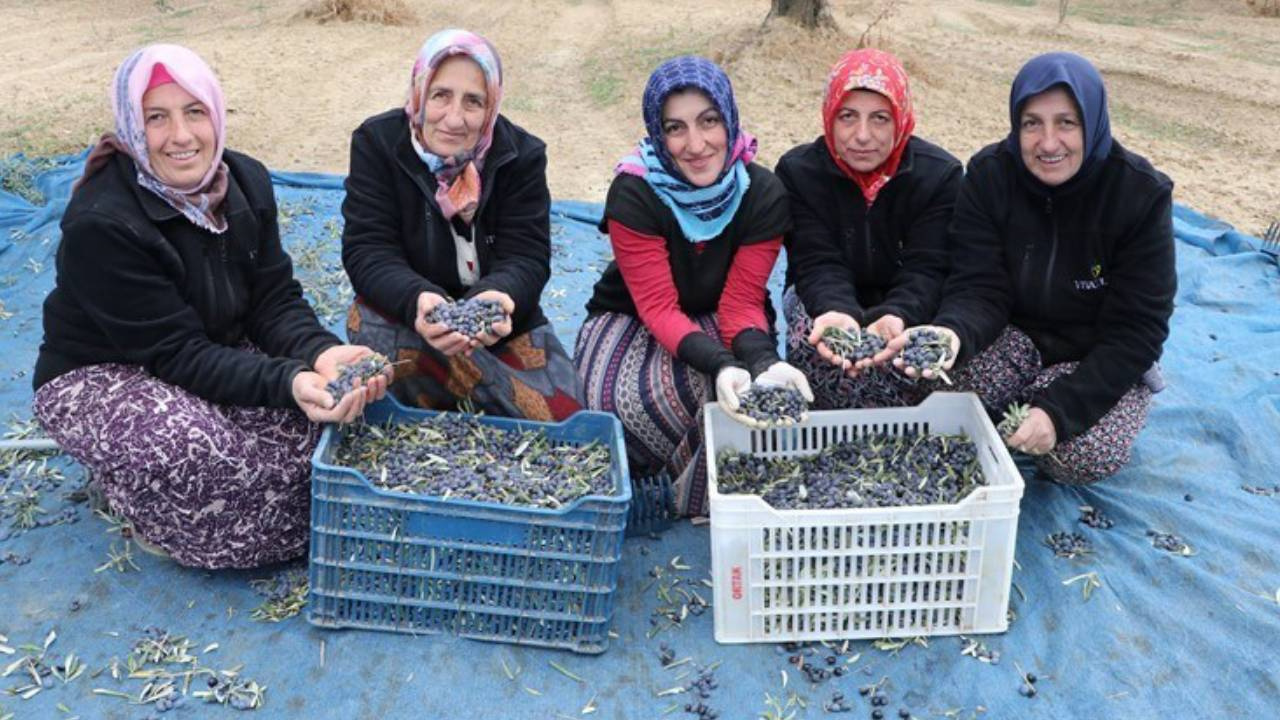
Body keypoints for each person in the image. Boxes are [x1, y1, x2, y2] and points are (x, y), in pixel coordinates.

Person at [32, 44, 388, 569]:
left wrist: (320, 355)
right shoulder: (103, 224)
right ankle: (125, 486)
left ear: (216, 113)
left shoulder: (245, 182)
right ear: (133, 126)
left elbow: (273, 299)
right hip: (104, 373)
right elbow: (176, 354)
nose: (180, 136)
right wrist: (287, 381)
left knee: (328, 433)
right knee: (199, 456)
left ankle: (179, 471)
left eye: (194, 111)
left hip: (208, 347)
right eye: (156, 118)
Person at [888, 52, 1175, 485]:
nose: (1048, 142)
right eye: (1032, 123)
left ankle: (1053, 404)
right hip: (1015, 336)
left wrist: (1059, 412)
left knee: (1079, 455)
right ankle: (1019, 397)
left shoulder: (1138, 194)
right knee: (938, 405)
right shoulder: (989, 176)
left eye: (1066, 123)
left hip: (1095, 352)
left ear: (1092, 123)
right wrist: (952, 333)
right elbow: (977, 286)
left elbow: (1138, 330)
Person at [574, 56, 812, 517]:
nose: (696, 144)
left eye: (709, 122)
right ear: (658, 135)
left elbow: (741, 304)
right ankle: (648, 481)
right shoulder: (635, 192)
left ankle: (692, 493)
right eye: (675, 128)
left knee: (729, 397)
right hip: (632, 313)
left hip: (722, 314)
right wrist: (722, 364)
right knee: (613, 399)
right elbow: (658, 308)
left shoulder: (762, 194)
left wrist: (763, 362)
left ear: (729, 119)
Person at [341, 28, 581, 422]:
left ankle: (457, 395)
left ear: (491, 106)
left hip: (503, 328)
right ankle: (483, 397)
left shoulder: (521, 156)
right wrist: (420, 300)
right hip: (412, 323)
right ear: (420, 92)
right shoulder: (378, 143)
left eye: (473, 102)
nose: (454, 118)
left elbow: (528, 257)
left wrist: (497, 298)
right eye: (440, 96)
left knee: (565, 416)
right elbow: (368, 251)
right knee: (369, 329)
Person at [777, 48, 961, 409]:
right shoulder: (799, 173)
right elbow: (815, 260)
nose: (862, 136)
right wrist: (836, 309)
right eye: (847, 116)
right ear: (829, 117)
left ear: (901, 119)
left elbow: (928, 267)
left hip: (907, 303)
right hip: (827, 299)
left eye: (880, 118)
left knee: (913, 367)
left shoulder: (939, 176)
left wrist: (896, 315)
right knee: (811, 342)